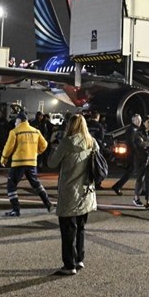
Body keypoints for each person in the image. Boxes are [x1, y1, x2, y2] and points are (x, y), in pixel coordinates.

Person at [49, 114, 97, 276]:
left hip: (71, 191)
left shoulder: (66, 143)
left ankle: (69, 265)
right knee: (81, 227)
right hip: (86, 191)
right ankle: (79, 259)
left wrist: (54, 147)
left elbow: (51, 163)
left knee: (68, 230)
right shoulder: (91, 141)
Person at [0, 111, 54, 216]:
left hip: (18, 163)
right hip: (32, 163)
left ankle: (16, 209)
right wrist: (36, 153)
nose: (15, 122)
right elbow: (44, 145)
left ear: (19, 120)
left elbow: (8, 148)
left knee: (11, 185)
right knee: (36, 184)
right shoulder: (36, 131)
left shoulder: (15, 132)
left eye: (16, 120)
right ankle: (48, 204)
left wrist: (4, 159)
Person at [112, 114, 142, 196]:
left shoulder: (134, 129)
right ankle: (118, 186)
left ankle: (140, 188)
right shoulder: (132, 130)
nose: (139, 122)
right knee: (131, 172)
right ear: (133, 121)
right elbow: (130, 143)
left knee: (134, 171)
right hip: (133, 154)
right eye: (137, 120)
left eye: (140, 120)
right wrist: (137, 151)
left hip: (133, 154)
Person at [134, 115, 149, 209]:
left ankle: (148, 201)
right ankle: (136, 197)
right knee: (140, 179)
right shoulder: (138, 133)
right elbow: (141, 144)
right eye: (148, 122)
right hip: (141, 158)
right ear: (144, 123)